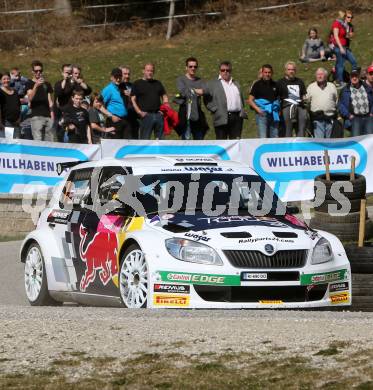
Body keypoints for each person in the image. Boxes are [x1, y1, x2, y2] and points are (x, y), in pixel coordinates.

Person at [204, 61, 247, 139]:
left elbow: (240, 98)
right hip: (222, 116)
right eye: (223, 70)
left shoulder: (236, 83)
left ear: (231, 71)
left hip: (237, 117)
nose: (225, 72)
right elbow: (206, 98)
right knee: (222, 141)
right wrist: (214, 109)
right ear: (219, 71)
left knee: (236, 142)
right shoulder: (212, 84)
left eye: (228, 70)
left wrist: (242, 110)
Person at [131, 63, 168, 140]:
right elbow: (133, 99)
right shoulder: (137, 83)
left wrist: (164, 109)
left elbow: (164, 96)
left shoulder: (157, 83)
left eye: (151, 71)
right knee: (144, 140)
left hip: (158, 115)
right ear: (143, 71)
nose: (150, 72)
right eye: (148, 70)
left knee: (161, 140)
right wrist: (139, 112)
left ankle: (159, 152)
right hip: (145, 116)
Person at [174, 57, 208, 140]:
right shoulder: (180, 79)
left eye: (195, 66)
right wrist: (197, 91)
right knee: (186, 142)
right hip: (185, 114)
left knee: (199, 141)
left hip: (198, 114)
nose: (193, 68)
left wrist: (191, 90)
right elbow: (183, 92)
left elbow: (205, 91)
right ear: (186, 67)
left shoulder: (200, 81)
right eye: (190, 66)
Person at [25, 60, 55, 141]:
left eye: (40, 70)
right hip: (36, 116)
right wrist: (36, 86)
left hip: (48, 116)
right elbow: (30, 98)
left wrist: (52, 115)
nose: (38, 72)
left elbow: (50, 101)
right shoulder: (29, 83)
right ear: (32, 71)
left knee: (50, 142)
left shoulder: (47, 84)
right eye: (36, 71)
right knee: (38, 142)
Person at [248, 64, 280, 138]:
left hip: (273, 114)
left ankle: (274, 150)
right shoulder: (257, 84)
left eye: (269, 72)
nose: (267, 74)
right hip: (262, 114)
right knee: (263, 136)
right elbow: (250, 100)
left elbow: (278, 99)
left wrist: (278, 110)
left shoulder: (275, 85)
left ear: (272, 73)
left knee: (275, 136)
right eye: (265, 72)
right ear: (262, 73)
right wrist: (258, 110)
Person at [339, 68, 373, 136]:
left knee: (369, 139)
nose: (354, 78)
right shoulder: (345, 90)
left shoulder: (366, 87)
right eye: (352, 76)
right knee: (357, 140)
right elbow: (340, 105)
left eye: (356, 76)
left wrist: (372, 112)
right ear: (350, 77)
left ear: (359, 77)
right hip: (355, 119)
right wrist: (348, 115)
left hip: (368, 117)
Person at [277, 61, 307, 137]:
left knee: (302, 125)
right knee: (288, 129)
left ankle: (301, 142)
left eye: (293, 69)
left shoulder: (300, 81)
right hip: (287, 106)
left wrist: (305, 101)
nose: (291, 71)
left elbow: (304, 95)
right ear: (285, 71)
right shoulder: (280, 82)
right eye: (289, 69)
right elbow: (277, 97)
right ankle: (288, 144)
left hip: (299, 106)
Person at [329, 10, 358, 88]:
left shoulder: (350, 26)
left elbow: (350, 36)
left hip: (345, 47)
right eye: (348, 17)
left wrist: (350, 35)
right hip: (337, 46)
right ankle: (339, 82)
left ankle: (353, 79)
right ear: (345, 17)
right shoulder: (337, 23)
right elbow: (336, 36)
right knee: (341, 63)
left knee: (354, 62)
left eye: (351, 17)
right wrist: (341, 48)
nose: (350, 19)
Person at [307, 68, 338, 138]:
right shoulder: (311, 87)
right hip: (317, 119)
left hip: (330, 118)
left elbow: (336, 100)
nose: (319, 76)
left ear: (326, 76)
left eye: (321, 74)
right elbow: (307, 102)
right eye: (318, 74)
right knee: (319, 141)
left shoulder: (332, 86)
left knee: (330, 142)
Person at [101, 68, 131, 139]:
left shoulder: (123, 87)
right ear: (111, 77)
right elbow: (97, 105)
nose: (118, 79)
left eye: (120, 77)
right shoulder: (108, 89)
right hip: (114, 121)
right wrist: (111, 116)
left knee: (127, 145)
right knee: (114, 145)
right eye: (116, 77)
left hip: (125, 120)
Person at [119, 65, 139, 139]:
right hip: (122, 118)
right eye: (125, 74)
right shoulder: (117, 87)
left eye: (128, 74)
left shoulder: (133, 86)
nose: (127, 76)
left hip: (133, 117)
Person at [0, 72, 21, 138]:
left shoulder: (15, 92)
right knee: (8, 145)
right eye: (4, 79)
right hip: (5, 123)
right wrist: (0, 123)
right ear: (0, 81)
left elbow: (19, 106)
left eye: (8, 78)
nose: (6, 80)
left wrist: (19, 119)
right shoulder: (0, 92)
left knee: (16, 144)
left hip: (16, 123)